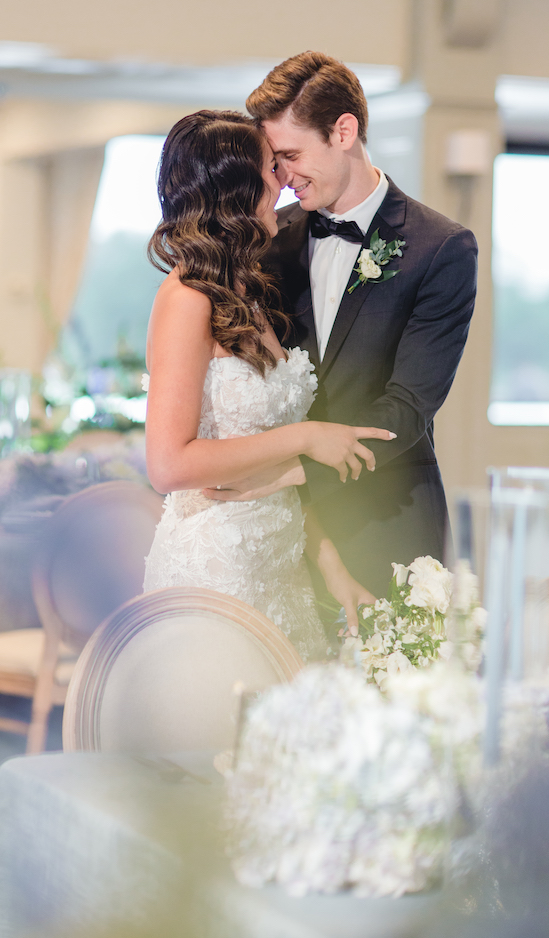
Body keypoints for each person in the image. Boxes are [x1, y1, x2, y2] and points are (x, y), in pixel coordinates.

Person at [209, 52, 478, 598]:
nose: (281, 178)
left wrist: (291, 471)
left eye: (289, 154)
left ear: (344, 131)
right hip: (278, 529)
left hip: (388, 517)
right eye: (274, 161)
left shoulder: (442, 247)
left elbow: (408, 406)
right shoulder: (267, 237)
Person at [141, 110, 395, 660]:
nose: (282, 180)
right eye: (269, 168)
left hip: (280, 570)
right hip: (216, 570)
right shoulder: (186, 300)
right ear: (235, 191)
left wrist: (330, 568)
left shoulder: (247, 289)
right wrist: (305, 438)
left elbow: (267, 469)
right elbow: (168, 465)